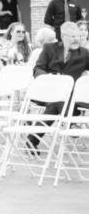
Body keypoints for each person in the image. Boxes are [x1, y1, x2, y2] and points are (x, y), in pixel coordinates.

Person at [29, 21, 89, 151]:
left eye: (78, 36)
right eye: (72, 36)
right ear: (63, 36)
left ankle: (33, 139)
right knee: (59, 95)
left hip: (70, 97)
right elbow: (38, 68)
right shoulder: (49, 48)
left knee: (60, 99)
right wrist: (48, 78)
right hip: (47, 92)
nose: (77, 39)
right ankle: (71, 123)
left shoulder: (84, 53)